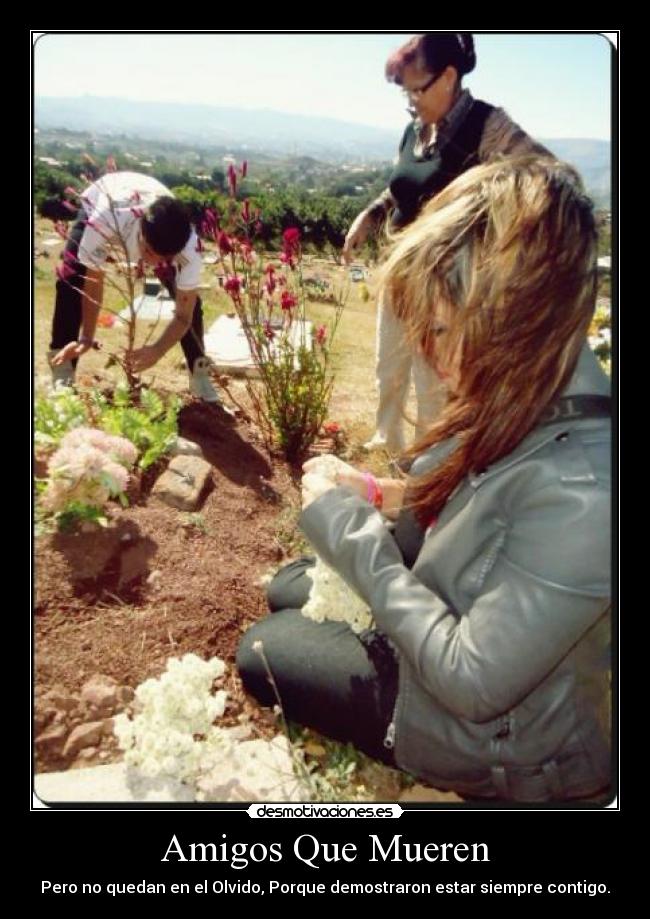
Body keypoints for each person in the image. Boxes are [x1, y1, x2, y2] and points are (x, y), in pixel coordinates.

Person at [237, 157, 612, 803]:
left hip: (495, 735)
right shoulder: (538, 384)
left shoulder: (590, 491)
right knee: (289, 584)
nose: (430, 351)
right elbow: (482, 505)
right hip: (458, 605)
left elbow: (471, 680)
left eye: (440, 327)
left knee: (264, 647)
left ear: (517, 317)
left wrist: (355, 534)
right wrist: (376, 495)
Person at [342, 32, 551, 452]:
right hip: (400, 273)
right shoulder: (416, 129)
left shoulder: (487, 128)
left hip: (444, 289)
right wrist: (371, 214)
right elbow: (401, 187)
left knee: (431, 383)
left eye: (416, 90)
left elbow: (547, 177)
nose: (411, 102)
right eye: (405, 94)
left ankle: (426, 460)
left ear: (448, 76)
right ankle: (387, 439)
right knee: (389, 367)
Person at [49, 170, 222, 403]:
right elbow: (94, 281)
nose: (151, 263)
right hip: (106, 197)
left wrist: (158, 349)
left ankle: (199, 372)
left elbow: (184, 314)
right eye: (148, 252)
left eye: (163, 258)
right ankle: (63, 370)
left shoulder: (189, 248)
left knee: (193, 303)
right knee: (70, 282)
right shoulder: (103, 221)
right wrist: (87, 337)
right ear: (140, 228)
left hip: (149, 200)